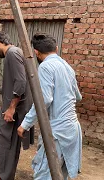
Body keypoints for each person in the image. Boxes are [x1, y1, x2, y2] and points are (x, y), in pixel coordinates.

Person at [17, 33, 82, 180]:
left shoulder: (46, 67)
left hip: (58, 132)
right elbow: (78, 96)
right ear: (56, 48)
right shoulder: (67, 67)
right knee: (60, 175)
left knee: (44, 174)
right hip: (72, 128)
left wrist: (25, 124)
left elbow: (44, 100)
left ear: (36, 52)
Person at [0, 31, 34, 180]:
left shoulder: (11, 54)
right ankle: (5, 175)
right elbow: (10, 86)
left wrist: (11, 108)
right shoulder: (16, 52)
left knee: (3, 142)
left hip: (14, 110)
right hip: (17, 108)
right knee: (11, 145)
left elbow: (21, 83)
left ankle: (3, 176)